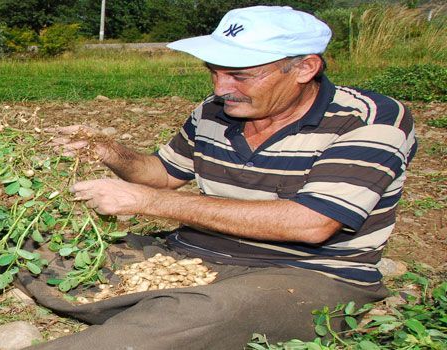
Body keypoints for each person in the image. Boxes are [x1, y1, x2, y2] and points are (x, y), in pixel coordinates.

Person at [25, 5, 417, 349]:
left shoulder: (369, 118)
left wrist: (147, 202)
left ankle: (159, 318)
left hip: (306, 273)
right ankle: (156, 311)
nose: (221, 88)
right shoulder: (214, 111)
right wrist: (108, 151)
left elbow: (312, 223)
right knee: (37, 253)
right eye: (214, 72)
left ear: (304, 67)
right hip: (189, 254)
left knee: (194, 314)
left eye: (240, 76)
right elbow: (161, 175)